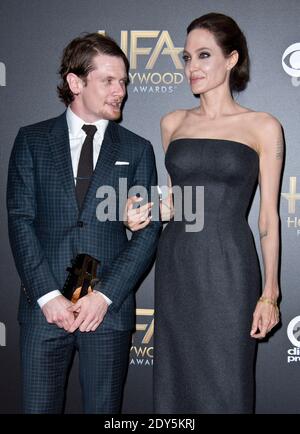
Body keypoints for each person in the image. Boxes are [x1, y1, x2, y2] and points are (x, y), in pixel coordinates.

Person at [125, 13, 283, 413]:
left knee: (228, 384)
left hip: (230, 268)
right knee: (176, 387)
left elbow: (267, 220)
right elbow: (180, 203)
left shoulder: (262, 126)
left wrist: (270, 292)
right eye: (186, 57)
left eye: (204, 55)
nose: (191, 67)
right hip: (178, 265)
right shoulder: (172, 123)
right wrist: (143, 212)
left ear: (231, 59)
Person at [6, 33, 161, 414]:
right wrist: (47, 296)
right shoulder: (32, 141)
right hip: (44, 312)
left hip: (106, 315)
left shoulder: (138, 149)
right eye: (108, 80)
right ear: (75, 83)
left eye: (123, 80)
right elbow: (20, 221)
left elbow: (148, 232)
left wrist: (104, 297)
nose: (120, 90)